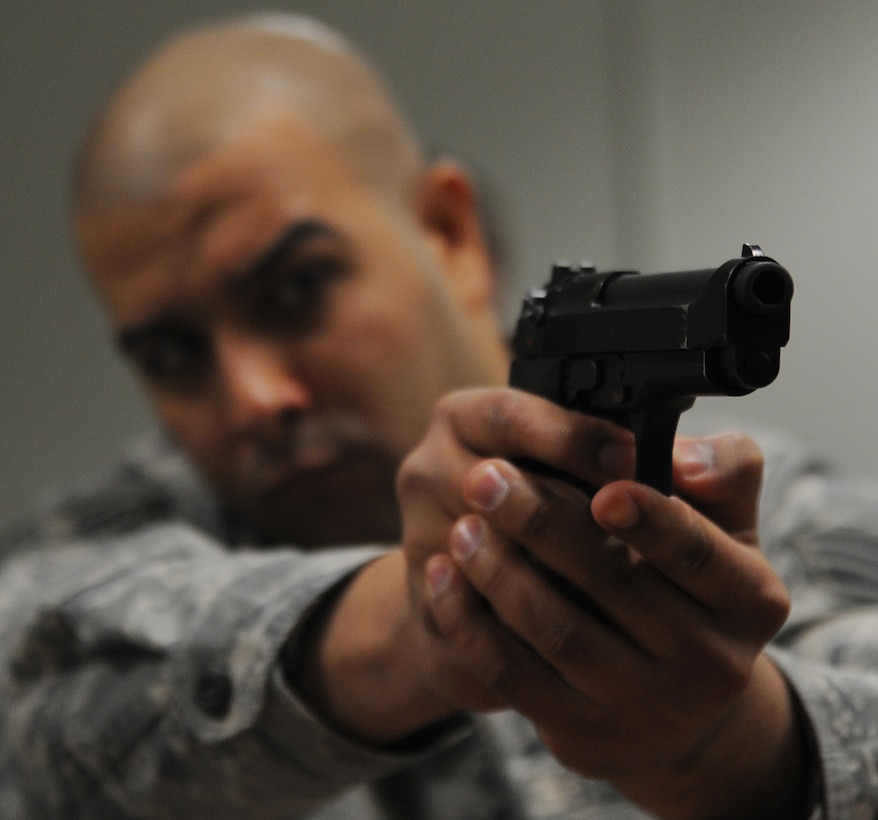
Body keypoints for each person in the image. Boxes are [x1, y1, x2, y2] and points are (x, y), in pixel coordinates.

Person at [1, 10, 878, 818]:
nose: (256, 399)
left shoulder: (769, 508)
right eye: (172, 355)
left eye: (298, 289)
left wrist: (731, 746)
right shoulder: (107, 540)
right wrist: (416, 625)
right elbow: (32, 719)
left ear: (451, 234)